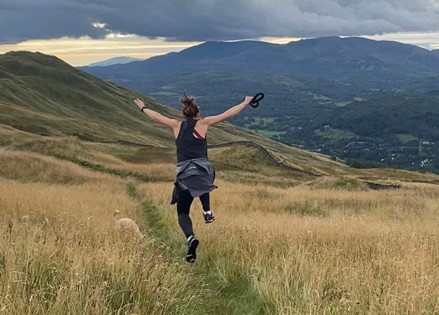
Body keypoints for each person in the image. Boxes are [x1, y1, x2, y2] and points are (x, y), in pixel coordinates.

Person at [134, 94, 253, 263]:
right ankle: (207, 211)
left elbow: (156, 117)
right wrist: (245, 102)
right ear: (199, 113)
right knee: (206, 176)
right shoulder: (203, 124)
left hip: (184, 176)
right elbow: (228, 115)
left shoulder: (176, 126)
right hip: (203, 171)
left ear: (184, 114)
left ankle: (190, 238)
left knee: (183, 212)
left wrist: (143, 107)